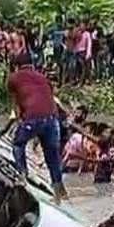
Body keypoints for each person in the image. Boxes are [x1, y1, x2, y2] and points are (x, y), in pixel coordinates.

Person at [8, 53, 68, 200]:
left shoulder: (13, 78)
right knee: (52, 157)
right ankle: (59, 190)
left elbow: (16, 105)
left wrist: (18, 121)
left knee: (18, 144)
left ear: (16, 66)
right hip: (53, 119)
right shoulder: (43, 77)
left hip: (33, 118)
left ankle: (22, 175)